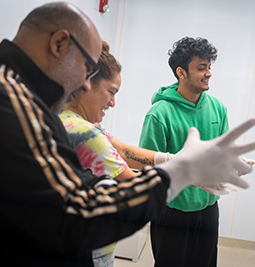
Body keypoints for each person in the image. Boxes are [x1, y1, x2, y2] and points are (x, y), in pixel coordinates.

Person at [0, 2, 255, 266]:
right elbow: (80, 212)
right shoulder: (7, 102)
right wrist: (179, 173)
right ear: (59, 44)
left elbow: (109, 154)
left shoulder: (24, 100)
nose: (84, 85)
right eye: (86, 68)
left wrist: (179, 165)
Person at [59, 41, 173, 266]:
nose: (113, 103)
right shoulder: (83, 133)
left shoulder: (72, 119)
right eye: (111, 92)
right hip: (91, 250)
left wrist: (168, 159)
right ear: (87, 83)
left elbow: (123, 150)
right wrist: (192, 173)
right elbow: (137, 186)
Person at [139, 36, 249, 266]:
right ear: (181, 72)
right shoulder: (159, 114)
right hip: (171, 210)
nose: (209, 73)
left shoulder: (218, 108)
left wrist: (232, 164)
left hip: (208, 208)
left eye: (209, 67)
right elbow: (146, 164)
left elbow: (223, 154)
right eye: (201, 68)